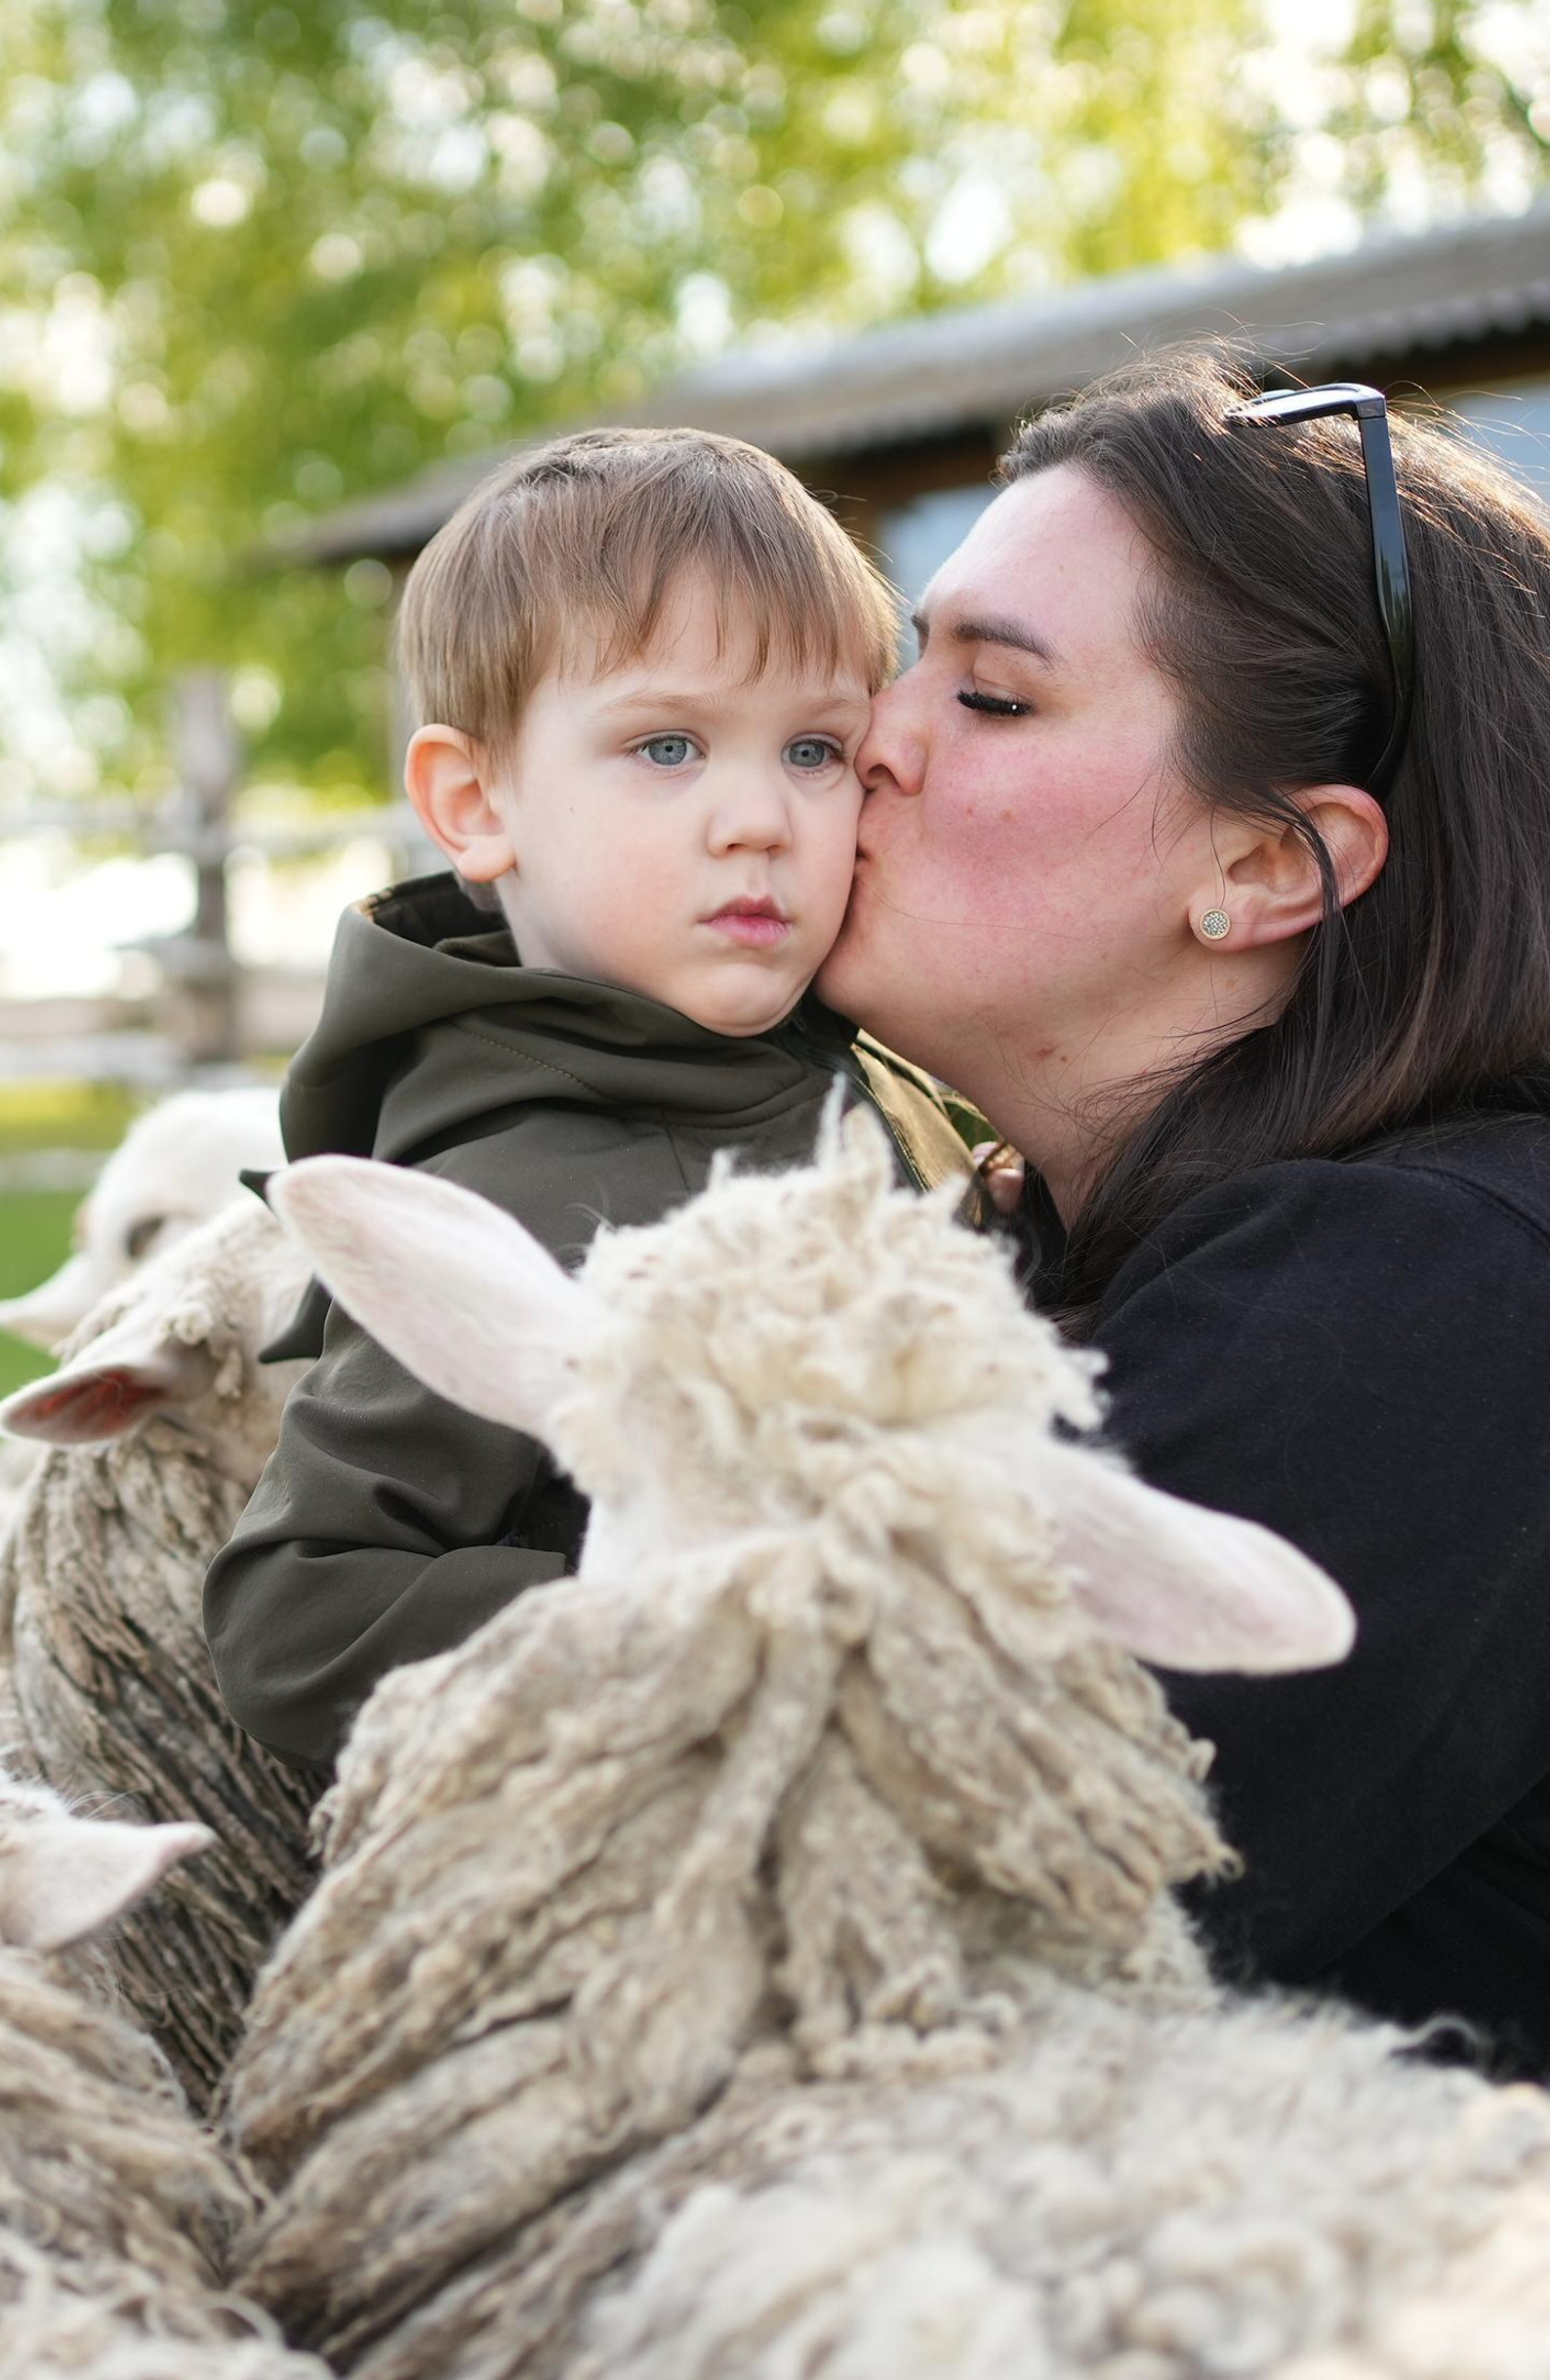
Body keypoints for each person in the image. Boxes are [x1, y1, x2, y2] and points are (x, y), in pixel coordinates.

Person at [820, 346, 1550, 2079]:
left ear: (1265, 869)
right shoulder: (1032, 1258)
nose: (871, 743)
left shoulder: (1428, 1299)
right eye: (907, 660)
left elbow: (901, 1941)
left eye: (989, 698)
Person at [204, 427, 969, 1772]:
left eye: (814, 751)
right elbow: (299, 1609)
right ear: (475, 800)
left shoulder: (860, 1067)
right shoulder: (513, 1187)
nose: (761, 818)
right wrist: (697, 1614)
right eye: (669, 746)